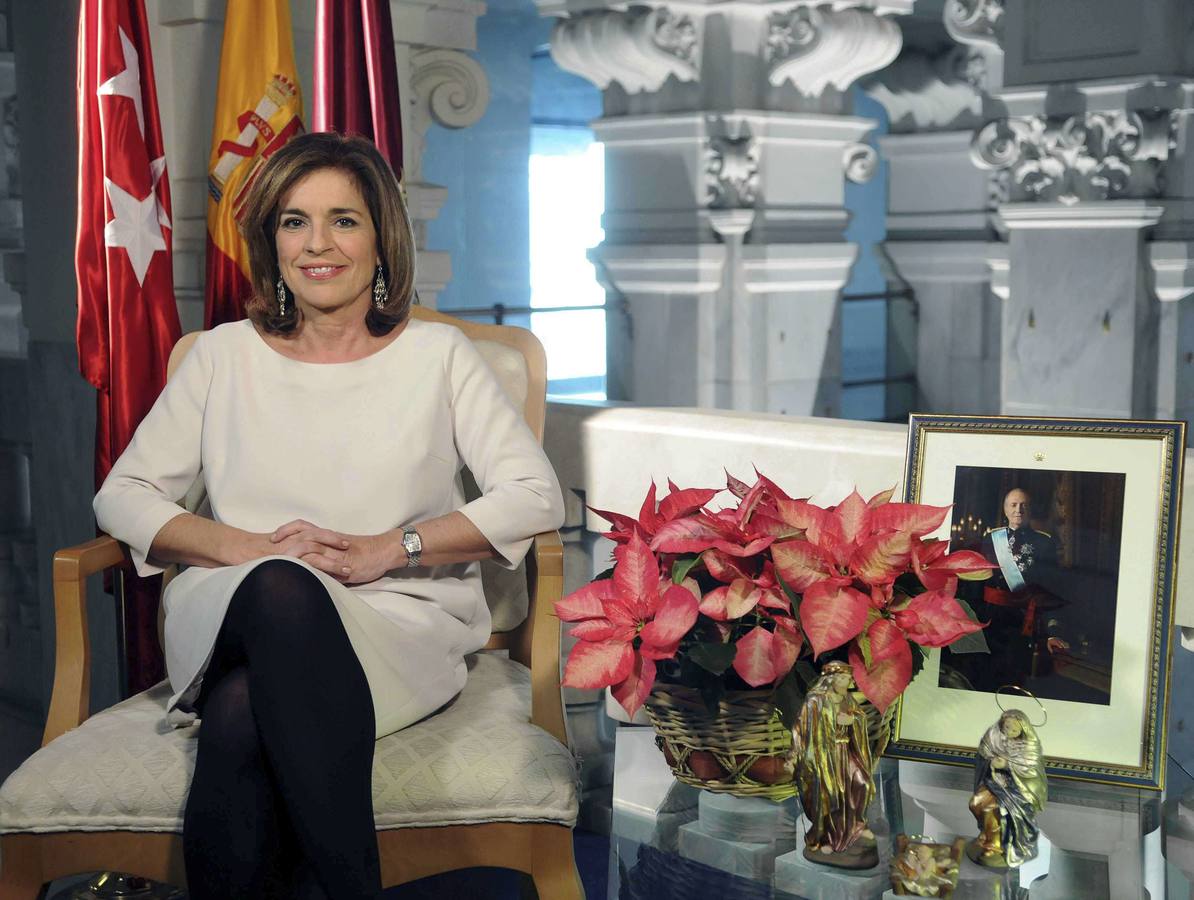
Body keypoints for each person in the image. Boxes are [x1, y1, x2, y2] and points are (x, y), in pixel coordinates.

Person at [92, 132, 565, 899]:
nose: (318, 244)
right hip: (234, 604)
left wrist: (392, 547)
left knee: (241, 718)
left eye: (344, 220)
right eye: (293, 221)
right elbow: (124, 493)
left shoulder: (438, 356)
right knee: (279, 586)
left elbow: (534, 494)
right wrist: (244, 547)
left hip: (394, 617)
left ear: (382, 241)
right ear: (270, 244)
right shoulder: (220, 357)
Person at [962, 487, 1067, 690]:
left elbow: (1050, 588)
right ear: (1005, 509)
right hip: (991, 620)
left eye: (1023, 505)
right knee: (985, 677)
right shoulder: (991, 539)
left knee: (1015, 679)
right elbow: (979, 581)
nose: (1018, 510)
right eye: (1013, 505)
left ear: (1030, 510)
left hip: (1023, 621)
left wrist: (1051, 629)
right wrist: (972, 619)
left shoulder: (1044, 543)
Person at [790, 661, 877, 869]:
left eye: (848, 679)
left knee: (862, 783)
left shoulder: (847, 698)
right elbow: (801, 728)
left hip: (846, 752)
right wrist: (795, 755)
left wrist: (853, 721)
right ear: (830, 679)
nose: (846, 683)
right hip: (824, 757)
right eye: (842, 679)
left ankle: (855, 825)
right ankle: (826, 838)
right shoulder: (815, 700)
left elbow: (858, 718)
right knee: (830, 795)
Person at [967, 709, 1047, 867]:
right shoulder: (993, 736)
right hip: (993, 781)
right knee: (975, 803)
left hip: (1017, 790)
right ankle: (986, 833)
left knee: (992, 808)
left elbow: (1030, 770)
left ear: (1023, 730)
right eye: (1006, 728)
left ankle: (994, 844)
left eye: (1014, 730)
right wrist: (991, 762)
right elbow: (983, 754)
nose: (1009, 732)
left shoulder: (1030, 745)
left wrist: (1007, 764)